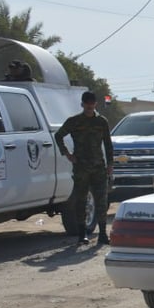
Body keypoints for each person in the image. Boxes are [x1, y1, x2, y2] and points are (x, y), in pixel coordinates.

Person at [55, 91, 113, 245]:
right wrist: (66, 153)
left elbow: (108, 144)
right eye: (86, 104)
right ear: (82, 104)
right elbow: (58, 135)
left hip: (98, 167)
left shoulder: (101, 122)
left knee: (101, 200)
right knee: (81, 200)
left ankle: (102, 234)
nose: (89, 106)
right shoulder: (74, 121)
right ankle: (82, 234)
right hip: (81, 167)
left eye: (91, 103)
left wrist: (110, 165)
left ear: (95, 104)